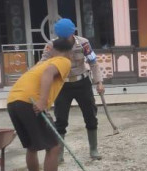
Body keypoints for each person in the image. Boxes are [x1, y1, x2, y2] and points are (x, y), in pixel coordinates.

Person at [6, 35, 76, 171]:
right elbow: (48, 74)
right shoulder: (63, 61)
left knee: (32, 146)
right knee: (53, 147)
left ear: (51, 50)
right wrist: (43, 101)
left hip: (14, 101)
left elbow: (42, 74)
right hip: (30, 102)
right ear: (70, 52)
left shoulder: (44, 62)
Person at [38, 18, 105, 161]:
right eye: (62, 37)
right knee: (61, 120)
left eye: (66, 36)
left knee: (91, 116)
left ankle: (93, 149)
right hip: (62, 85)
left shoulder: (83, 43)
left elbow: (93, 62)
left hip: (82, 83)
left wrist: (99, 82)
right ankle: (59, 154)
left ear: (73, 32)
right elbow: (42, 65)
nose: (65, 40)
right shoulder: (51, 46)